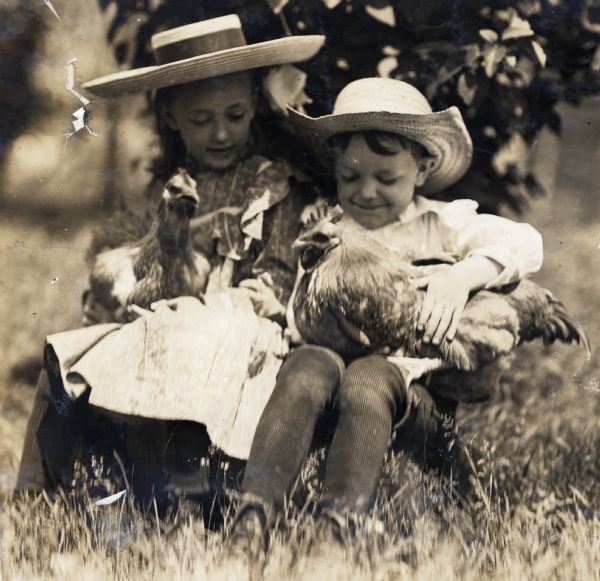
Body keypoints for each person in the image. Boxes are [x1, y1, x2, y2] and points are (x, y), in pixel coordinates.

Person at [15, 15, 325, 511]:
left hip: (240, 325)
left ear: (254, 108)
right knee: (68, 354)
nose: (220, 132)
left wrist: (218, 303)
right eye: (201, 121)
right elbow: (140, 272)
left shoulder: (271, 185)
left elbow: (278, 278)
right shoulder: (173, 187)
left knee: (182, 340)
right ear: (174, 119)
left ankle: (176, 493)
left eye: (235, 115)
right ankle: (34, 491)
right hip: (167, 316)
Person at [230, 77, 543, 546]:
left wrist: (460, 277)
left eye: (387, 178)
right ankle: (255, 512)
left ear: (422, 168)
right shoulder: (328, 225)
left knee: (369, 376)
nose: (367, 192)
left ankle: (338, 524)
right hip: (331, 370)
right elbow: (306, 312)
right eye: (351, 177)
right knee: (304, 365)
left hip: (416, 396)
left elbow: (527, 242)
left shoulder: (441, 223)